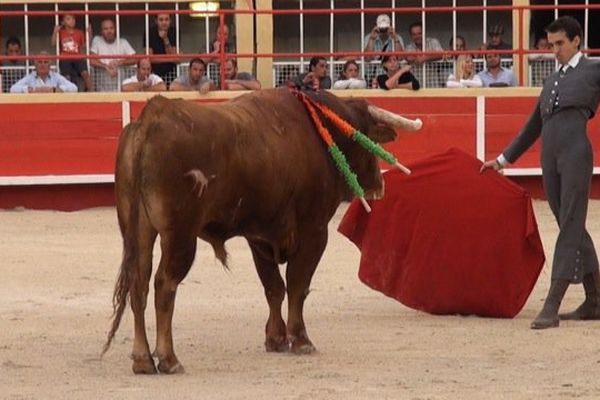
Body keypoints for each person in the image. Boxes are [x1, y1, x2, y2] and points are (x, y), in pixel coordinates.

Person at [481, 16, 600, 329]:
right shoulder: (551, 80)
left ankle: (553, 303)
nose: (555, 50)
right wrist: (503, 160)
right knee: (568, 221)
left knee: (570, 224)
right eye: (551, 45)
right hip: (551, 157)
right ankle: (595, 299)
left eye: (560, 43)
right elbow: (534, 125)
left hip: (575, 153)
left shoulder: (593, 69)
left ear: (577, 41)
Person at [90, 18, 137, 92]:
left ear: (115, 29)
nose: (109, 31)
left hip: (121, 88)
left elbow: (135, 58)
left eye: (111, 28)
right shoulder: (97, 40)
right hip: (102, 89)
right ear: (101, 31)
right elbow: (91, 60)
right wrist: (106, 66)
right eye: (106, 29)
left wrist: (119, 63)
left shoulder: (122, 42)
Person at [51, 13, 93, 91]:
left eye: (73, 18)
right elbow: (53, 44)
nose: (72, 21)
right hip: (65, 58)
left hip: (78, 57)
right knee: (67, 77)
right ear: (63, 22)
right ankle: (68, 94)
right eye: (68, 19)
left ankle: (88, 93)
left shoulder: (79, 32)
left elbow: (85, 45)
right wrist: (55, 32)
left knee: (86, 74)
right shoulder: (61, 32)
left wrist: (90, 33)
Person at [10, 52, 78, 93]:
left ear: (50, 65)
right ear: (35, 64)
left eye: (45, 62)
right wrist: (30, 90)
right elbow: (13, 89)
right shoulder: (30, 77)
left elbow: (74, 88)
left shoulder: (56, 76)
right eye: (40, 62)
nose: (42, 65)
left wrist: (54, 90)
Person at [144, 13, 178, 86]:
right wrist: (170, 59)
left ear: (170, 21)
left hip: (171, 72)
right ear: (156, 21)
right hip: (154, 72)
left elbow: (174, 56)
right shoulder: (149, 32)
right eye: (161, 20)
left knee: (171, 95)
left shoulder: (174, 31)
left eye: (166, 19)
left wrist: (165, 38)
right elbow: (150, 58)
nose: (164, 22)